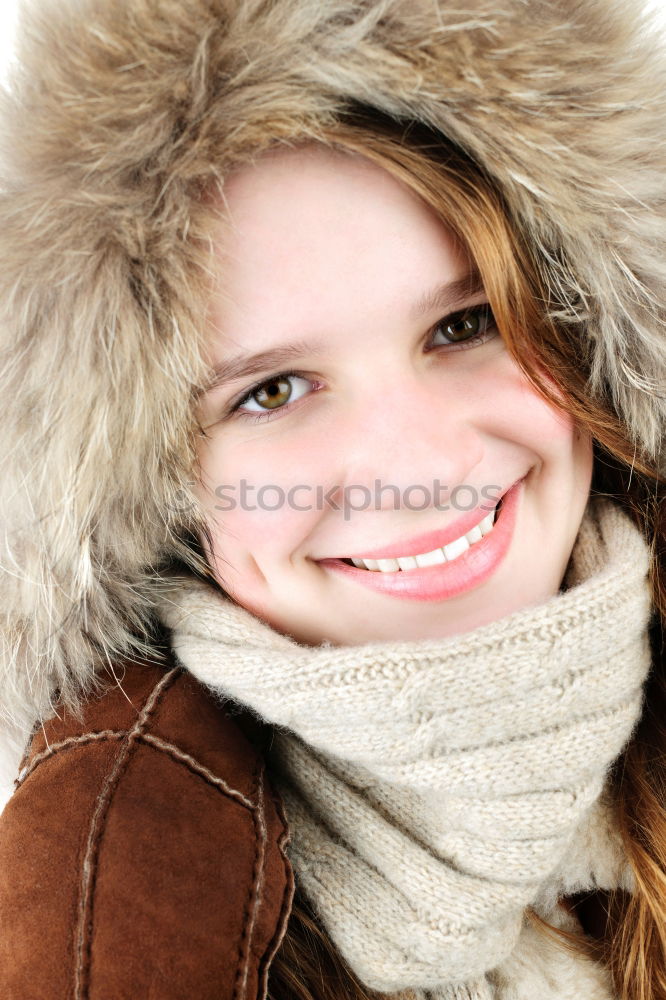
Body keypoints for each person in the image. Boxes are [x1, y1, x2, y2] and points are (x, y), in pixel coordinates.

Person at [0, 0, 664, 998]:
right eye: (271, 391)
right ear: (142, 494)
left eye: (466, 322)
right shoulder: (101, 914)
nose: (423, 460)